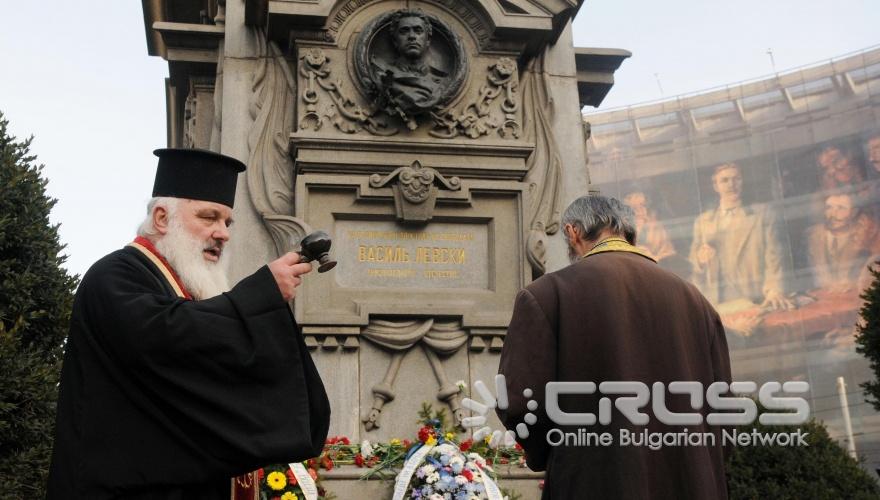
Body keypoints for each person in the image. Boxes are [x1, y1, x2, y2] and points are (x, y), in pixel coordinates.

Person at [47, 148, 331, 499]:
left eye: (227, 222)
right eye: (209, 217)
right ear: (162, 218)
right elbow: (166, 338)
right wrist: (260, 296)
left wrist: (258, 300)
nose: (223, 233)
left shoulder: (185, 288)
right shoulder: (114, 276)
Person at [497, 195, 731, 499]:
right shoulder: (696, 301)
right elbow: (723, 412)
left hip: (595, 481)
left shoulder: (546, 295)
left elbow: (518, 402)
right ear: (629, 232)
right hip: (690, 484)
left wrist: (557, 455)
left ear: (572, 232)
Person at [689, 163, 791, 310]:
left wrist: (774, 289)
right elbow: (694, 264)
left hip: (755, 298)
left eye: (736, 179)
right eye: (724, 180)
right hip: (718, 304)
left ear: (742, 182)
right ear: (716, 186)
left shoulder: (762, 214)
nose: (731, 185)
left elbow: (774, 257)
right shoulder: (703, 221)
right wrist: (700, 259)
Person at [371, 9, 448, 118]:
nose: (412, 36)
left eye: (418, 31)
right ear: (395, 40)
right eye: (404, 31)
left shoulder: (441, 81)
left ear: (428, 40)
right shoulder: (382, 74)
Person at [807, 193, 871, 292]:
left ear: (854, 212)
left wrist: (853, 284)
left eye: (841, 208)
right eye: (829, 207)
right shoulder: (811, 236)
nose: (833, 214)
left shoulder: (865, 235)